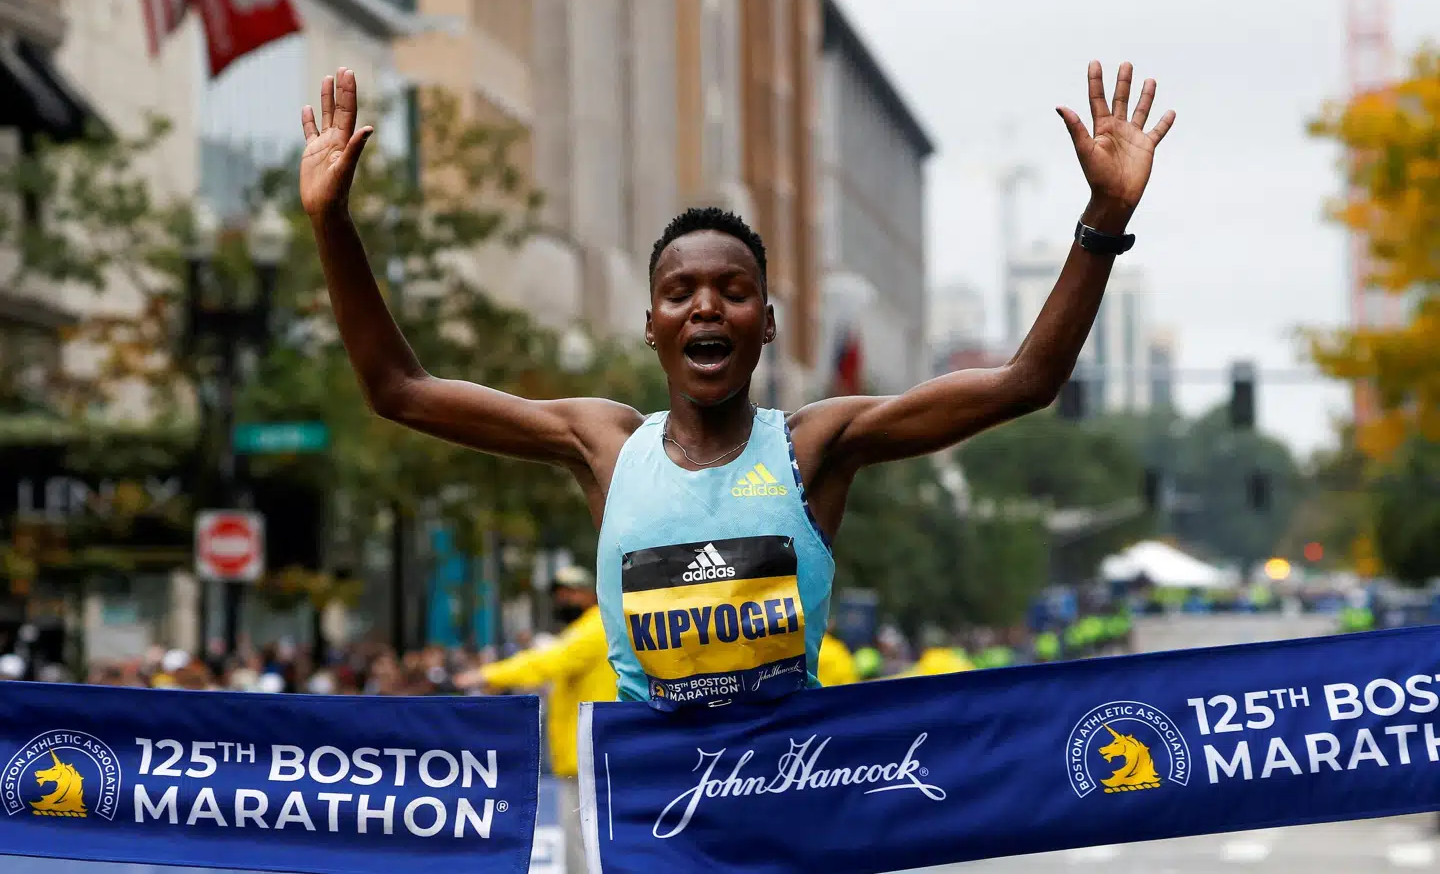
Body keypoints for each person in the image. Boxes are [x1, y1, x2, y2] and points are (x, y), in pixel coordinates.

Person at [298, 60, 1173, 710]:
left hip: (787, 816)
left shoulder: (816, 447)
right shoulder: (605, 445)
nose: (707, 306)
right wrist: (330, 221)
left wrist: (1104, 218)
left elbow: (1026, 381)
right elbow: (398, 388)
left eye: (733, 290)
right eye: (680, 292)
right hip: (654, 827)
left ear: (768, 323)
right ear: (652, 326)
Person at [455, 566, 614, 874]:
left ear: (591, 593)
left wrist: (487, 675)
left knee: (583, 849)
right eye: (559, 595)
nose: (562, 600)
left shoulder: (596, 627)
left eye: (570, 593)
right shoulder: (587, 628)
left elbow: (548, 662)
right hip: (583, 754)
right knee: (583, 846)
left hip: (588, 755)